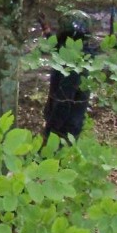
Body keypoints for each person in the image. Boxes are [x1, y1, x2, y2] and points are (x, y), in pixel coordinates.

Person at [42, 10, 98, 142]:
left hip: (64, 130)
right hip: (70, 126)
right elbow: (58, 48)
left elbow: (63, 103)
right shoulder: (81, 54)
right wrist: (47, 31)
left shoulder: (72, 66)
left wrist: (49, 132)